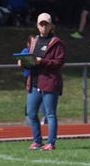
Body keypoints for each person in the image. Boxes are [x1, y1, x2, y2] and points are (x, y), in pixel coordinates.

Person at [18, 13, 65, 150]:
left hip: (49, 82)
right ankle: (37, 141)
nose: (43, 27)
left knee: (50, 114)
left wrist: (42, 61)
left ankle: (51, 142)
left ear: (51, 26)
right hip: (34, 82)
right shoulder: (34, 41)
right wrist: (23, 63)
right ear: (37, 26)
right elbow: (30, 60)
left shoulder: (57, 42)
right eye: (41, 24)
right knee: (31, 113)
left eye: (46, 24)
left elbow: (59, 62)